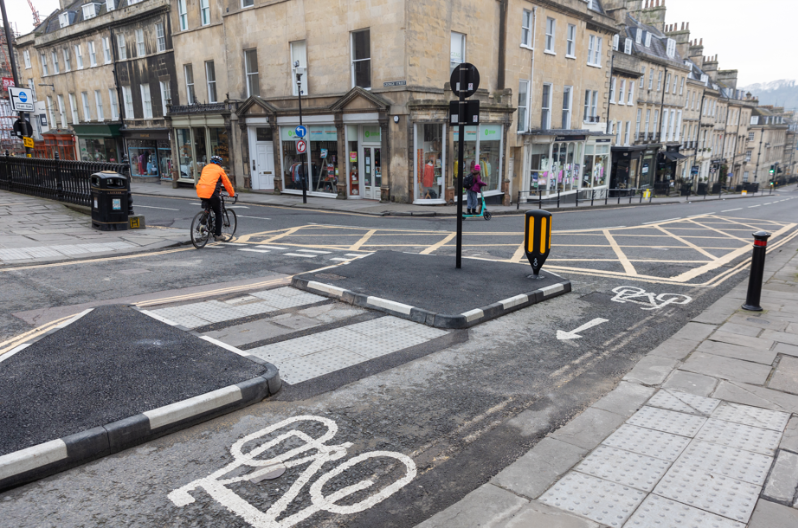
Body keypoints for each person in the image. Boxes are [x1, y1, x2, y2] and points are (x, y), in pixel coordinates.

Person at [196, 155, 236, 241]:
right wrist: (232, 194)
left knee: (208, 205)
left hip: (201, 191)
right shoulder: (220, 170)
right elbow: (227, 184)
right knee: (218, 212)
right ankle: (218, 235)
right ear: (219, 163)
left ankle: (204, 219)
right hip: (212, 193)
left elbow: (208, 180)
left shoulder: (205, 168)